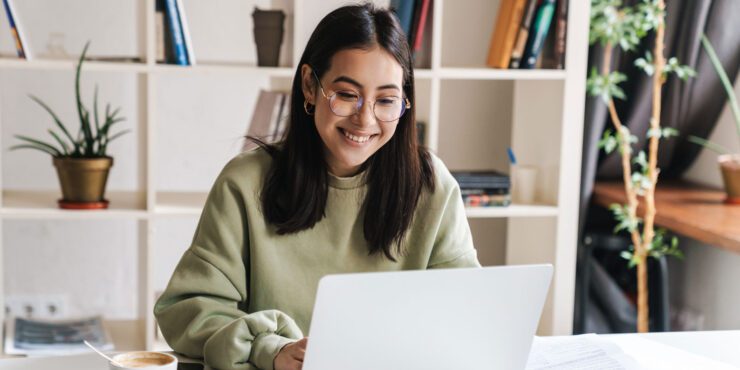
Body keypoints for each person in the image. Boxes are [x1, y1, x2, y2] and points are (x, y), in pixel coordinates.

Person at [154, 3, 480, 370]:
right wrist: (270, 349)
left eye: (386, 100)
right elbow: (187, 310)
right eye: (346, 94)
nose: (365, 119)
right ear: (310, 85)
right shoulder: (245, 184)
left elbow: (464, 312)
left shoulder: (431, 186)